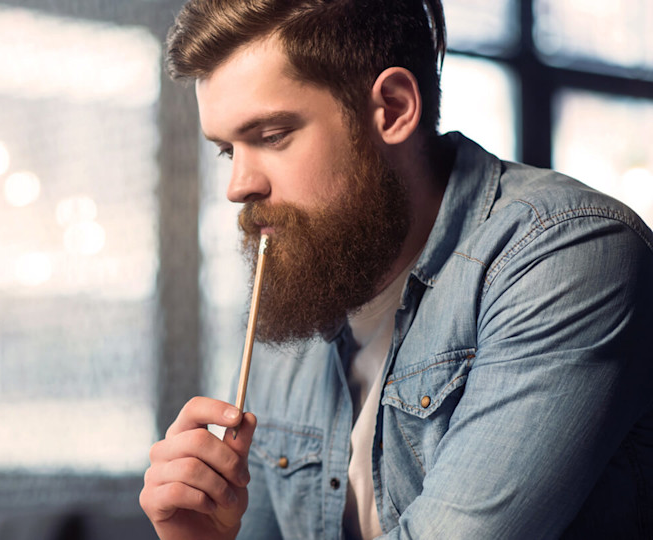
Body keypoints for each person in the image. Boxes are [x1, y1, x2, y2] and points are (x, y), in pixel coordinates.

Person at [138, 0, 653, 538]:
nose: (238, 186)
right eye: (227, 151)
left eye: (271, 136)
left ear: (393, 108)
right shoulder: (299, 293)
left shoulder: (567, 258)